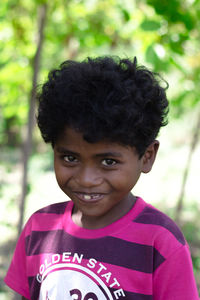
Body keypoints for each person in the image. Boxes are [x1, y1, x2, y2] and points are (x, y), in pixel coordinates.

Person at [5, 56, 199, 300]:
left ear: (147, 156)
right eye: (70, 158)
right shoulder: (39, 228)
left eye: (108, 162)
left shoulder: (161, 242)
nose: (86, 179)